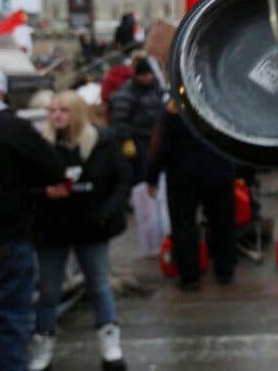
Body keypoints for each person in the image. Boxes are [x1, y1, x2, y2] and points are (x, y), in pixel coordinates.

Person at [29, 90, 131, 371]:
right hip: (53, 228)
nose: (56, 115)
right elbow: (26, 184)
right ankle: (43, 347)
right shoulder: (42, 145)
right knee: (48, 290)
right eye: (52, 111)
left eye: (63, 110)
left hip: (92, 226)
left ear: (76, 113)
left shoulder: (103, 141)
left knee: (99, 285)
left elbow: (122, 180)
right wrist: (44, 194)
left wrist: (106, 214)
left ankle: (111, 347)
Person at [0, 68, 65, 371]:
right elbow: (54, 169)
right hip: (5, 238)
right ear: (1, 93)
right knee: (12, 324)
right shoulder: (12, 128)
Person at [147, 103, 236, 290]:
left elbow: (162, 146)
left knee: (184, 226)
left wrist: (152, 177)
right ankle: (225, 270)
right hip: (219, 173)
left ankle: (190, 276)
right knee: (222, 224)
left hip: (183, 176)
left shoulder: (174, 109)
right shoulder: (221, 104)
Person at [109, 56, 165, 183]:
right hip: (138, 139)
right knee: (142, 172)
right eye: (143, 75)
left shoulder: (156, 87)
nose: (147, 77)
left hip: (155, 136)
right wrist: (126, 140)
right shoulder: (127, 91)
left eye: (149, 74)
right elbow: (119, 118)